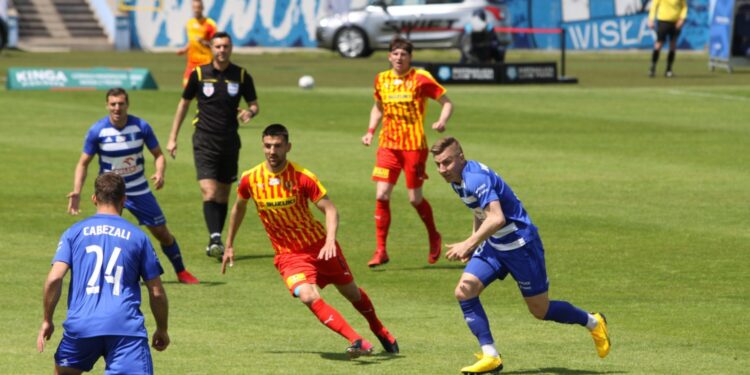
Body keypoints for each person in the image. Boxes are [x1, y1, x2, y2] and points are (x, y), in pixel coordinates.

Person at [430, 137, 610, 374]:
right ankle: (491, 356)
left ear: (461, 157)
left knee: (540, 310)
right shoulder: (457, 178)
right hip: (495, 245)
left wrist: (469, 242)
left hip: (521, 245)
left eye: (447, 162)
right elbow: (479, 210)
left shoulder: (475, 178)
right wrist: (475, 240)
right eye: (438, 164)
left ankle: (594, 322)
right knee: (464, 291)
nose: (442, 169)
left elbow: (496, 218)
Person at [222, 124, 399, 357]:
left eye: (277, 146)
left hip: (319, 247)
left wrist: (330, 241)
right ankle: (356, 340)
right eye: (267, 146)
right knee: (307, 295)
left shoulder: (303, 177)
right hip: (288, 255)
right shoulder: (250, 179)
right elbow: (239, 208)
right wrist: (229, 244)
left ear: (288, 147)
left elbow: (331, 210)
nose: (272, 151)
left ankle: (378, 327)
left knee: (352, 293)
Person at [38, 173, 170, 374]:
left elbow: (54, 278)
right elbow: (157, 292)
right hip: (125, 329)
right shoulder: (139, 237)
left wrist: (47, 319)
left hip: (82, 326)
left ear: (94, 199)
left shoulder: (74, 232)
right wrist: (162, 329)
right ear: (124, 200)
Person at [68, 88, 199, 284]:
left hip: (139, 190)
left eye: (121, 104)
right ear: (107, 105)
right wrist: (77, 191)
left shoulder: (140, 127)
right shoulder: (98, 131)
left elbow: (159, 155)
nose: (117, 108)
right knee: (107, 232)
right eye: (113, 104)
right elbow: (83, 163)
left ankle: (181, 271)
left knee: (162, 233)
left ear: (127, 105)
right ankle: (107, 274)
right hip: (110, 192)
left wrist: (160, 172)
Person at [361, 36, 453, 267]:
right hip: (388, 146)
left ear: (410, 58)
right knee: (381, 195)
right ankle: (380, 250)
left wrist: (441, 121)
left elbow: (447, 102)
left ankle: (434, 235)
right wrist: (371, 131)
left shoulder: (420, 78)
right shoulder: (381, 79)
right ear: (389, 56)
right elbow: (378, 107)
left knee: (415, 198)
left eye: (404, 54)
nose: (399, 57)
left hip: (414, 147)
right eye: (395, 53)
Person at [168, 31, 259, 260]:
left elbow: (255, 104)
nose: (222, 50)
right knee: (209, 191)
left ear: (231, 48)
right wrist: (172, 137)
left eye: (226, 46)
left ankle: (215, 238)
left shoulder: (240, 75)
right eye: (218, 46)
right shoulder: (199, 74)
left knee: (223, 194)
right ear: (212, 48)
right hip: (204, 139)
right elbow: (183, 104)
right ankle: (215, 237)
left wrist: (250, 112)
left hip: (229, 141)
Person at [176, 0, 216, 87]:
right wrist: (184, 50)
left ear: (202, 8)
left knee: (204, 89)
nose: (196, 10)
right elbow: (192, 42)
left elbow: (215, 45)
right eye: (194, 8)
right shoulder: (190, 23)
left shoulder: (210, 24)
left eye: (198, 7)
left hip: (206, 62)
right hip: (192, 61)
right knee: (187, 86)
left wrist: (203, 41)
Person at [648, 0, 688, 77]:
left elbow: (684, 7)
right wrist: (651, 19)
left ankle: (668, 70)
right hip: (663, 21)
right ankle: (652, 68)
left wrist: (682, 19)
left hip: (676, 22)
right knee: (659, 44)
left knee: (673, 45)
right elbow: (654, 6)